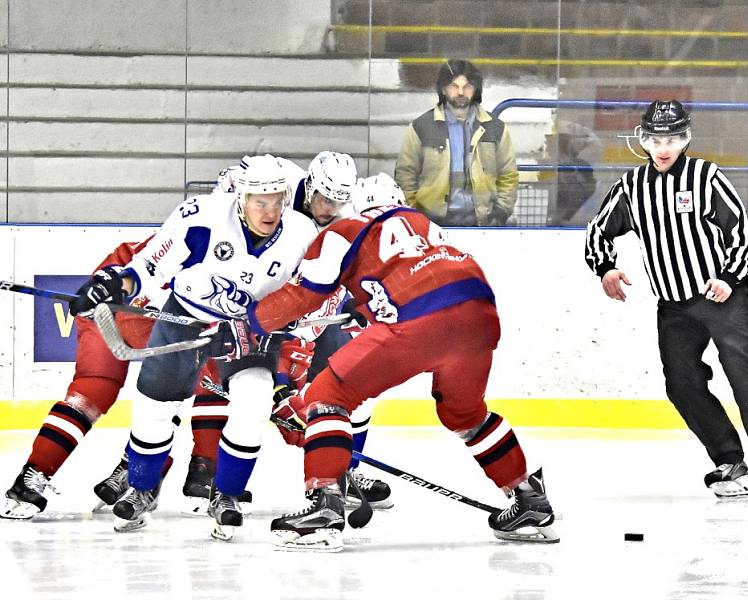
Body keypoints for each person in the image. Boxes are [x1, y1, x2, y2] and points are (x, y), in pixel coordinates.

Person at [231, 172, 559, 552]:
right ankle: (530, 502)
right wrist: (367, 305)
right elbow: (419, 275)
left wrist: (249, 320)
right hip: (479, 316)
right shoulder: (424, 225)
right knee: (465, 414)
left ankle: (325, 508)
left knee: (327, 393)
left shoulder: (346, 228)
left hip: (422, 320)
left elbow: (304, 296)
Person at [68, 155, 320, 539]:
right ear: (241, 198)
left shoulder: (302, 232)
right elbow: (146, 268)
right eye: (260, 201)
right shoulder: (200, 217)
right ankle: (141, 489)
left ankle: (228, 495)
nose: (270, 211)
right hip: (187, 316)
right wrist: (113, 286)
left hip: (251, 330)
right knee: (155, 405)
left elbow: (317, 289)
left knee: (253, 402)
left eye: (277, 200)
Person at [585, 100, 748, 499]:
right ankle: (728, 460)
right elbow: (598, 232)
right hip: (673, 306)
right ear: (643, 141)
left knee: (742, 369)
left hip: (721, 297)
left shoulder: (705, 177)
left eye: (672, 139)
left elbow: (742, 232)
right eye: (655, 140)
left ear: (685, 139)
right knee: (681, 383)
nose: (663, 148)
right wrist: (606, 268)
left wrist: (729, 277)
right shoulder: (632, 187)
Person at [0, 241, 235, 519]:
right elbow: (130, 266)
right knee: (93, 389)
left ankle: (199, 470)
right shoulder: (189, 235)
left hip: (176, 319)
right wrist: (99, 288)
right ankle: (33, 475)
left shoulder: (248, 262)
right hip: (111, 308)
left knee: (208, 372)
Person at [218, 151, 394, 509]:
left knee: (356, 386)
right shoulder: (281, 180)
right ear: (309, 183)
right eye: (323, 198)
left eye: (337, 201)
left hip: (304, 307)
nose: (328, 208)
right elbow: (239, 180)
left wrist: (357, 305)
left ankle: (345, 472)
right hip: (257, 297)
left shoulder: (347, 216)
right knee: (231, 398)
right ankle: (194, 478)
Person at [394, 59, 519, 227]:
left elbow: (508, 175)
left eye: (467, 87)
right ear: (444, 89)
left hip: (483, 223)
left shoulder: (495, 128)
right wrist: (415, 216)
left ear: (475, 90)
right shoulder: (421, 127)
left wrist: (501, 212)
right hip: (432, 224)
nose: (461, 92)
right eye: (454, 86)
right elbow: (405, 175)